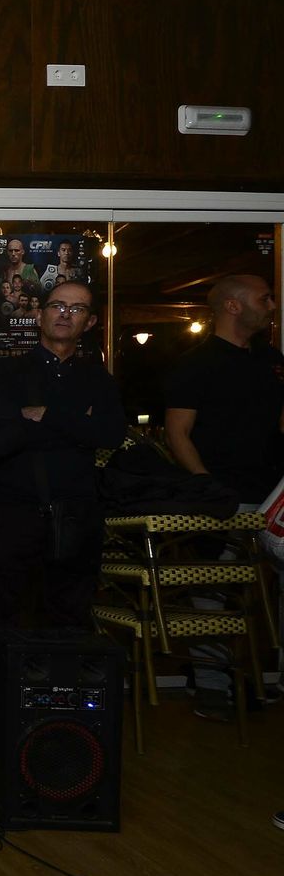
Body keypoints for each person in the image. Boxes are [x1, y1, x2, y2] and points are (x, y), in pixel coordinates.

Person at [163, 274, 281, 718]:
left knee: (262, 596)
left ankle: (256, 678)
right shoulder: (197, 363)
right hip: (223, 496)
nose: (271, 305)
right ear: (233, 306)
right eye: (263, 298)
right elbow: (178, 432)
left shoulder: (273, 361)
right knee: (211, 593)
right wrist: (205, 482)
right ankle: (212, 686)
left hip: (272, 497)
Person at [0, 280, 126, 630]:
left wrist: (46, 414)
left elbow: (110, 434)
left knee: (69, 615)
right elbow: (3, 434)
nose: (65, 314)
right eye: (57, 306)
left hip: (77, 516)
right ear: (39, 315)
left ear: (90, 323)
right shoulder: (6, 373)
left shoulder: (99, 379)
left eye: (77, 309)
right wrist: (78, 424)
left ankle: (62, 686)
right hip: (14, 513)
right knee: (5, 615)